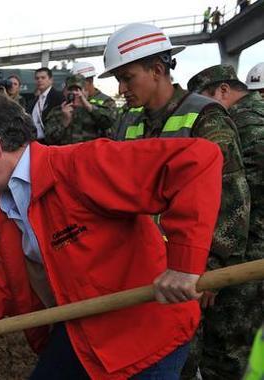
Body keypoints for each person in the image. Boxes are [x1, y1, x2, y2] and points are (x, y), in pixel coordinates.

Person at [0, 90, 224, 379]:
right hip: (83, 331)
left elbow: (196, 160)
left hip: (147, 336)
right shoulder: (9, 204)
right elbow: (9, 285)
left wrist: (184, 265)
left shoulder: (80, 166)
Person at [100, 23, 251, 379]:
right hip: (141, 264)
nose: (121, 90)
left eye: (127, 78)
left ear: (157, 70)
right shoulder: (127, 122)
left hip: (186, 271)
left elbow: (232, 198)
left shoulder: (205, 116)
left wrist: (210, 268)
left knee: (182, 357)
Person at [187, 64, 264, 378]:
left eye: (203, 98)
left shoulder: (242, 123)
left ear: (222, 91)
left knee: (226, 352)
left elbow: (239, 198)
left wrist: (217, 264)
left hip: (246, 254)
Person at [43, 74, 116, 145]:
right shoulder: (57, 111)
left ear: (86, 91)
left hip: (89, 155)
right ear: (65, 92)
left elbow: (109, 123)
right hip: (67, 155)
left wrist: (88, 106)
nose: (74, 93)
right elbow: (49, 139)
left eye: (78, 90)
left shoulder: (94, 109)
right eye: (70, 90)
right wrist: (64, 122)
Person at [27, 67, 63, 141]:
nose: (39, 80)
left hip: (52, 142)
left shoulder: (58, 97)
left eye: (43, 78)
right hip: (35, 141)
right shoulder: (33, 101)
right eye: (37, 78)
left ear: (51, 80)